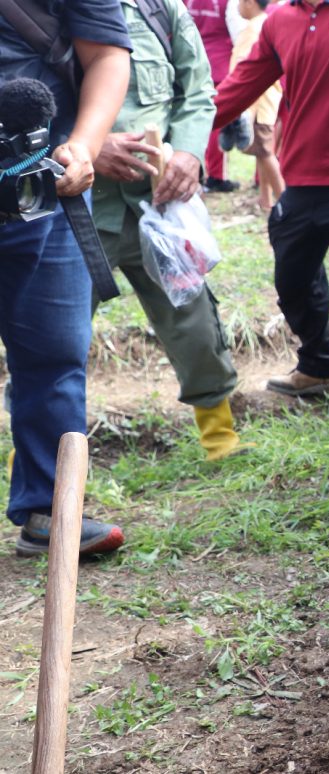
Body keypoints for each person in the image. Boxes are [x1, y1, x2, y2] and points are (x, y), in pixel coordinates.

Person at [213, 0, 329, 425]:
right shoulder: (280, 20)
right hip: (299, 177)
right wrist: (182, 129)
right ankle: (319, 366)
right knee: (292, 282)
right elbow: (242, 84)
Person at [92, 0, 250, 462]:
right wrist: (87, 146)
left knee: (193, 316)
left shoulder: (159, 8)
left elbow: (197, 87)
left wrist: (189, 152)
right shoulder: (44, 12)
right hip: (79, 208)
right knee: (52, 337)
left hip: (159, 202)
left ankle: (219, 437)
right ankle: (34, 461)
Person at [0, 0, 130, 556]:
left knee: (54, 351)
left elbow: (106, 54)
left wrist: (85, 145)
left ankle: (50, 507)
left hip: (41, 186)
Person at [228, 0, 284, 210]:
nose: (236, 7)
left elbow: (243, 69)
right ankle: (266, 199)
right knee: (262, 152)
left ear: (250, 3)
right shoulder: (264, 24)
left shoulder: (255, 29)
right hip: (265, 103)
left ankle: (283, 199)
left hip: (259, 105)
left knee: (266, 153)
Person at [185, 0, 238, 192]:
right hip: (220, 63)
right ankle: (216, 175)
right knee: (217, 118)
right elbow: (237, 29)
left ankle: (198, 170)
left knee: (192, 116)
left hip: (191, 62)